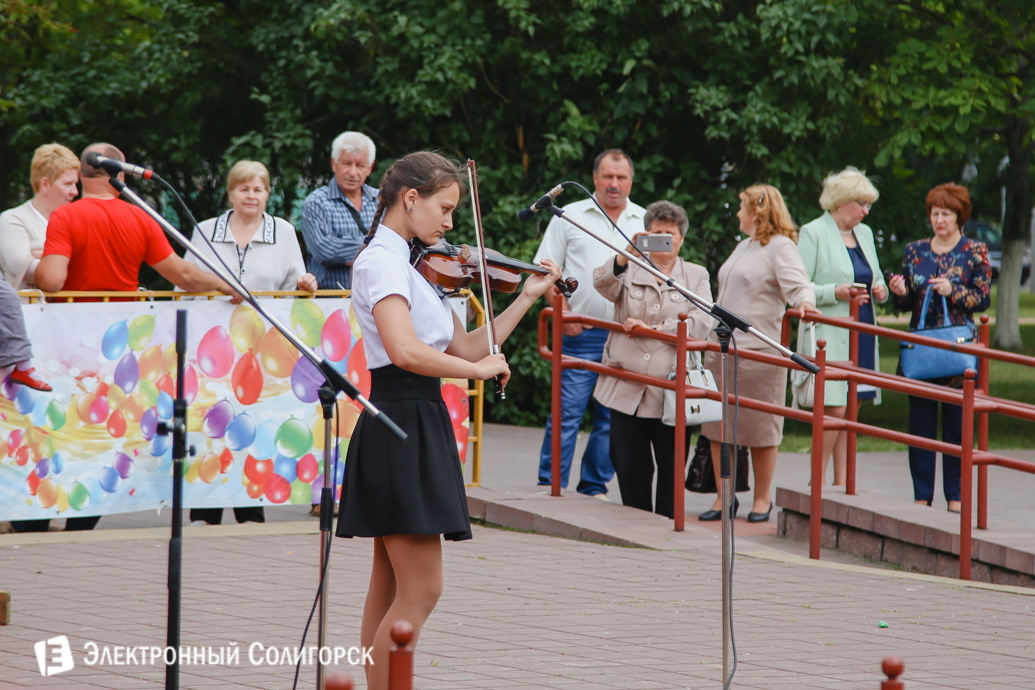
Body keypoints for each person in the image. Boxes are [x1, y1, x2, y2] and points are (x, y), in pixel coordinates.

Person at [336, 151, 560, 690]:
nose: (451, 223)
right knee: (423, 588)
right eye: (445, 208)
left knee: (389, 586)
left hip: (416, 416)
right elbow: (405, 349)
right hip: (401, 415)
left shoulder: (414, 263)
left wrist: (526, 299)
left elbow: (463, 344)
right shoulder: (382, 262)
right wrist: (474, 371)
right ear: (410, 199)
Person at [35, 143, 241, 531]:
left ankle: (43, 514)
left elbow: (52, 279)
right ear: (121, 176)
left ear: (80, 175)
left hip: (69, 342)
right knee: (102, 429)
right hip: (120, 343)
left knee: (61, 427)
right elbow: (182, 275)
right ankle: (84, 518)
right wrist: (226, 284)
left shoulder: (65, 216)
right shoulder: (140, 217)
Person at [181, 160, 317, 526]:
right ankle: (204, 511)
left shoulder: (285, 232)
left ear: (268, 194)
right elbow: (185, 282)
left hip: (260, 352)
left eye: (258, 189)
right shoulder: (206, 231)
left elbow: (294, 288)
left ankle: (250, 510)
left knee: (254, 426)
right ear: (231, 193)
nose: (251, 196)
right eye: (244, 189)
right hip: (213, 351)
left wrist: (306, 287)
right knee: (212, 423)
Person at [699, 185, 818, 523]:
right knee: (718, 426)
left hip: (758, 354)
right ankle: (725, 498)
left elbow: (799, 286)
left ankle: (762, 499)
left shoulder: (780, 247)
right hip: (722, 349)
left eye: (741, 206)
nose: (737, 213)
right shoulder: (745, 244)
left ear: (757, 211)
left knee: (761, 428)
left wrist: (805, 303)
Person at [532, 149, 646, 498]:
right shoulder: (569, 215)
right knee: (566, 414)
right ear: (594, 178)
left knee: (611, 418)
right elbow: (544, 269)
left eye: (621, 177)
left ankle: (593, 488)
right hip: (579, 331)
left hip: (625, 335)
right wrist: (561, 312)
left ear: (631, 180)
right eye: (608, 177)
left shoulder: (644, 221)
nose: (614, 184)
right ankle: (549, 487)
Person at [592, 201, 711, 518]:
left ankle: (668, 532)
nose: (663, 239)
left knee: (672, 469)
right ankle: (637, 529)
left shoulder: (696, 275)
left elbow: (702, 322)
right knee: (629, 467)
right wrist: (624, 254)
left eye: (669, 233)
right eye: (655, 233)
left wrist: (656, 329)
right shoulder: (630, 265)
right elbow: (601, 283)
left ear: (681, 238)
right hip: (627, 386)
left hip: (671, 390)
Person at [888, 183, 990, 513]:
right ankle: (922, 497)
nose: (939, 219)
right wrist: (899, 290)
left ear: (960, 216)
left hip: (958, 351)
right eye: (934, 213)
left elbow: (983, 297)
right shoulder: (914, 250)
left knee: (957, 428)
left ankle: (956, 499)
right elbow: (904, 304)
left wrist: (953, 290)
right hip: (920, 348)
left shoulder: (974, 250)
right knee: (920, 427)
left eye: (946, 213)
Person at [797, 167, 889, 486]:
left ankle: (842, 484)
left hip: (862, 330)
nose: (866, 211)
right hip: (829, 333)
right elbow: (798, 287)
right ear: (840, 202)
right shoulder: (813, 233)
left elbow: (873, 276)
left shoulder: (864, 234)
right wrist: (833, 291)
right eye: (861, 203)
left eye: (869, 205)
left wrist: (881, 289)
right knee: (833, 410)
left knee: (852, 410)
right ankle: (815, 483)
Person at [301, 131, 379, 289]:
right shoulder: (316, 202)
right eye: (346, 163)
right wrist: (376, 246)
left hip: (374, 299)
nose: (352, 172)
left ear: (370, 168)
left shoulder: (381, 201)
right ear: (333, 163)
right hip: (330, 300)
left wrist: (348, 247)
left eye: (360, 165)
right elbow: (324, 251)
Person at [0, 143, 80, 290]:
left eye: (76, 184)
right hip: (28, 312)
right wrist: (71, 260)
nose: (75, 191)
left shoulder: (77, 221)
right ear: (45, 184)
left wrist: (39, 254)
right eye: (68, 184)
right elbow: (22, 268)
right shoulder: (12, 219)